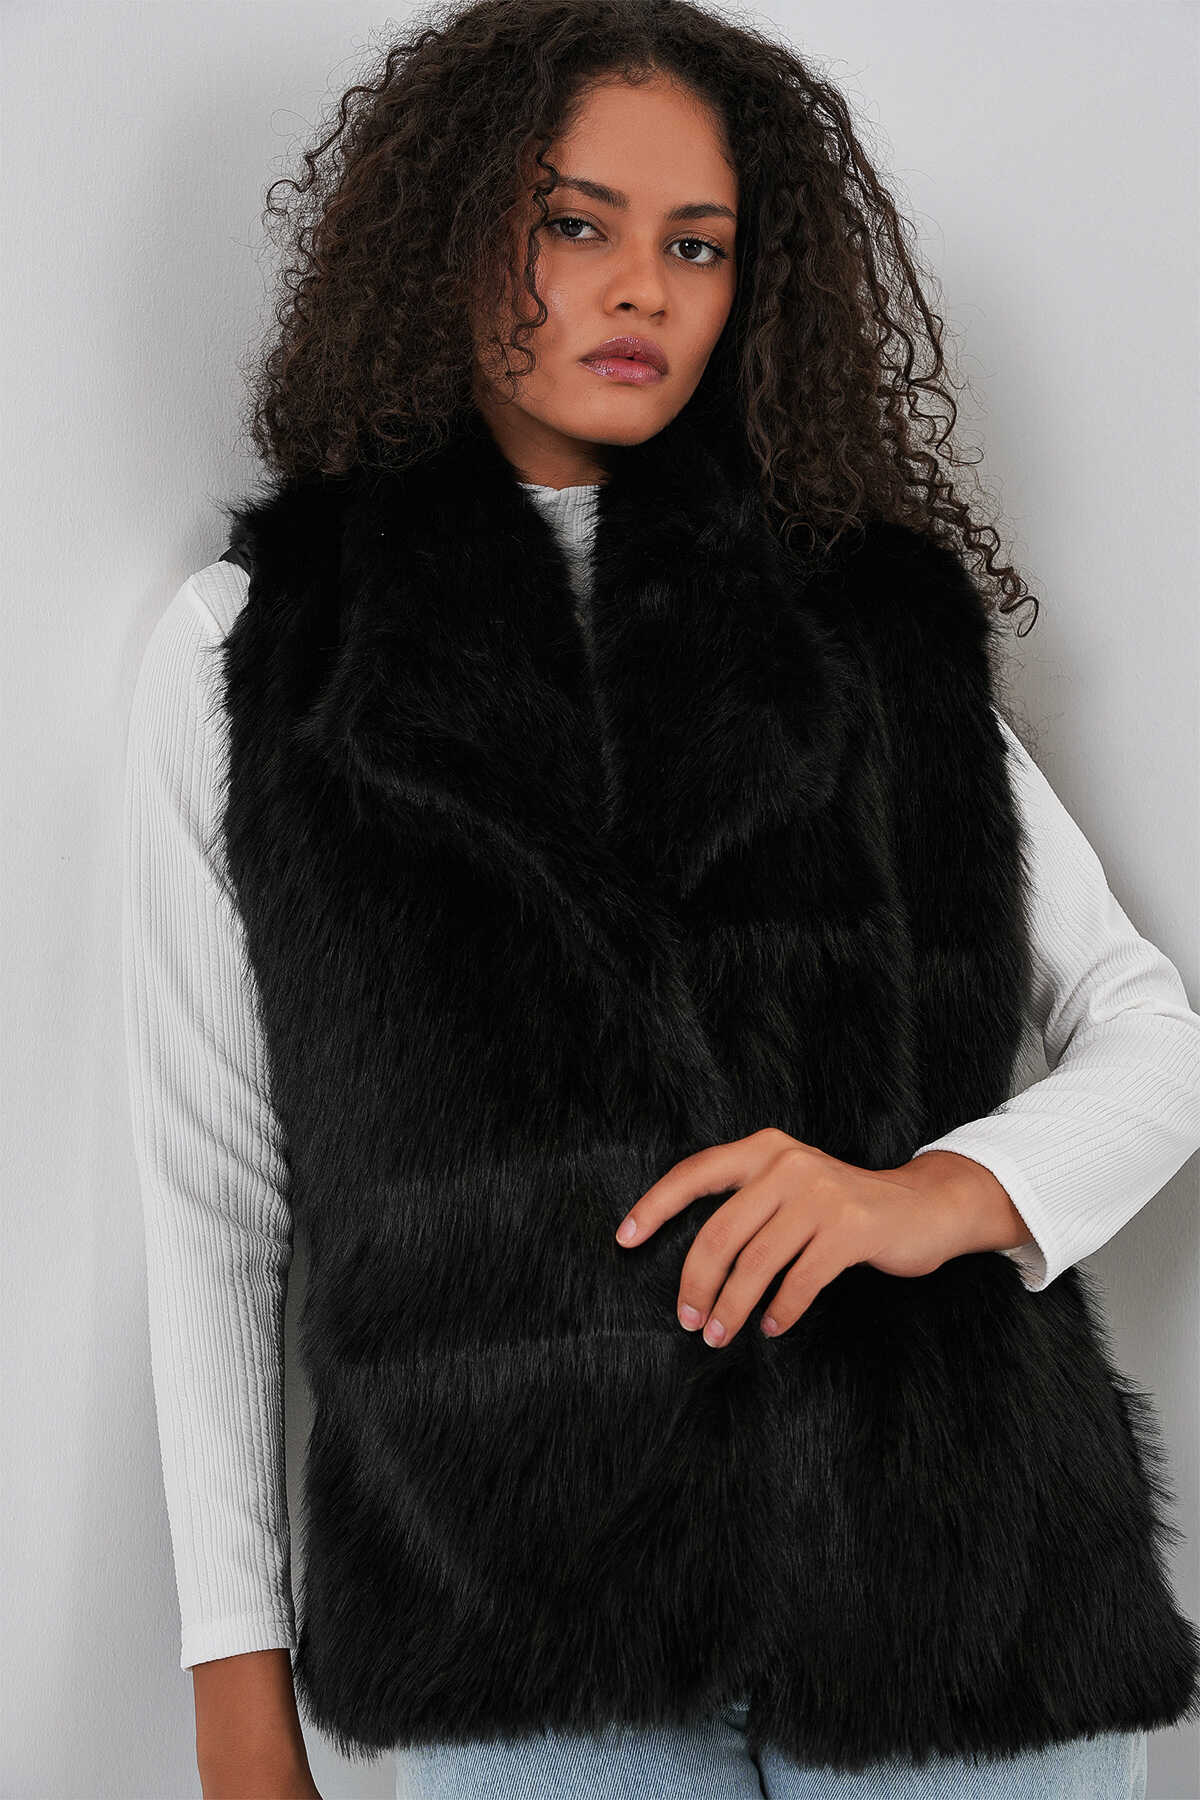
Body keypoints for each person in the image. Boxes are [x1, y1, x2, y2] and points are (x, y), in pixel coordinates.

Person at [122, 4, 1200, 1796]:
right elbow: (215, 1199)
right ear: (452, 228)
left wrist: (923, 1198)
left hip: (948, 1601)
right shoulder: (261, 651)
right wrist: (239, 1691)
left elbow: (1154, 1035)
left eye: (697, 245)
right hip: (518, 1617)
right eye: (575, 222)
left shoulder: (865, 625)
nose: (641, 288)